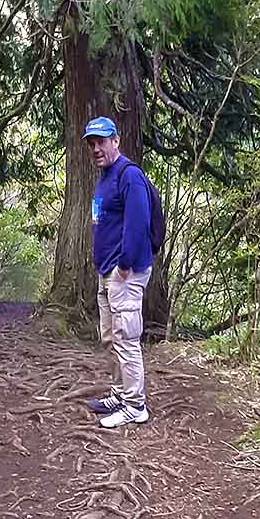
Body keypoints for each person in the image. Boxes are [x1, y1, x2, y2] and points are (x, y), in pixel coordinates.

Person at [82, 116, 154, 429]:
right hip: (107, 271)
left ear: (116, 141)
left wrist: (124, 264)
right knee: (112, 337)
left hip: (124, 272)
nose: (96, 148)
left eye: (101, 141)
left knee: (126, 338)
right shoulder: (105, 177)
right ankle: (121, 393)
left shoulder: (129, 176)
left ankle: (136, 406)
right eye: (92, 143)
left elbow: (139, 222)